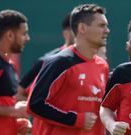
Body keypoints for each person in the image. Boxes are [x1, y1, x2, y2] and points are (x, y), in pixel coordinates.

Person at [27, 3, 110, 135]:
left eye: (106, 26)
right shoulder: (59, 62)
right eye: (101, 25)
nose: (107, 30)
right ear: (82, 28)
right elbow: (34, 105)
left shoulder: (102, 65)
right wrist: (75, 119)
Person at [16, 13, 75, 101]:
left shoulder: (96, 62)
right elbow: (19, 93)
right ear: (66, 34)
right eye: (77, 30)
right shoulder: (47, 61)